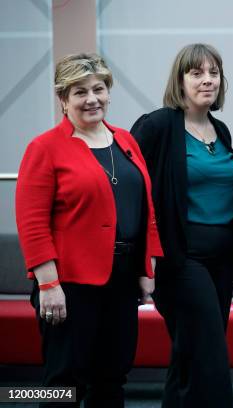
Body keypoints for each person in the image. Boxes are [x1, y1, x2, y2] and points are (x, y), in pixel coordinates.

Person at [15, 53, 162, 407]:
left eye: (98, 89)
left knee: (112, 378)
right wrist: (48, 285)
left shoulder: (126, 141)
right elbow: (32, 222)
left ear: (109, 93)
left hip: (122, 280)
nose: (92, 98)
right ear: (63, 99)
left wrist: (147, 268)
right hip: (69, 285)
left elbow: (147, 209)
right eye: (79, 92)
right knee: (63, 382)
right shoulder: (44, 148)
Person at [130, 43, 233, 408]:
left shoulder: (221, 130)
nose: (207, 80)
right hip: (182, 258)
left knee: (188, 354)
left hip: (223, 260)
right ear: (180, 81)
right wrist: (141, 263)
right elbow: (135, 195)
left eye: (213, 72)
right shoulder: (158, 126)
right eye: (196, 73)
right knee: (210, 352)